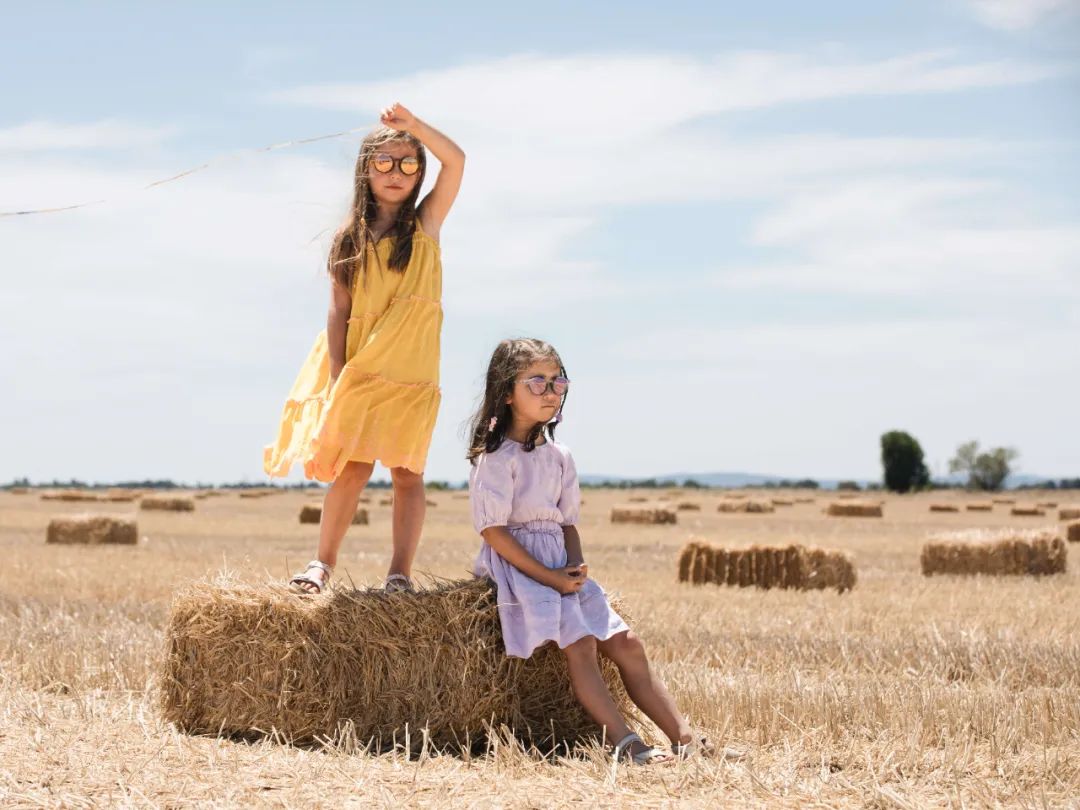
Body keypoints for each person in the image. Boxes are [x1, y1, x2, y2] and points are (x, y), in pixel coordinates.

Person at [466, 338, 746, 765]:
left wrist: (574, 565)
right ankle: (626, 743)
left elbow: (567, 523)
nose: (551, 392)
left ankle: (687, 739)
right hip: (520, 568)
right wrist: (550, 577)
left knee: (627, 644)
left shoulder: (559, 456)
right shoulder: (496, 459)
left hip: (560, 565)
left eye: (558, 382)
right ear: (506, 392)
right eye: (537, 382)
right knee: (580, 646)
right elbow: (494, 532)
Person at [264, 103, 464, 594]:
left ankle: (399, 574)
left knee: (407, 472)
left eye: (408, 163)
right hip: (360, 364)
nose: (396, 173)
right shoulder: (348, 239)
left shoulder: (426, 225)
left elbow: (457, 161)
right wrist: (337, 375)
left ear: (419, 172)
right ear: (365, 170)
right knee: (353, 468)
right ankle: (321, 564)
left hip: (411, 369)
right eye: (384, 162)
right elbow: (338, 310)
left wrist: (414, 127)